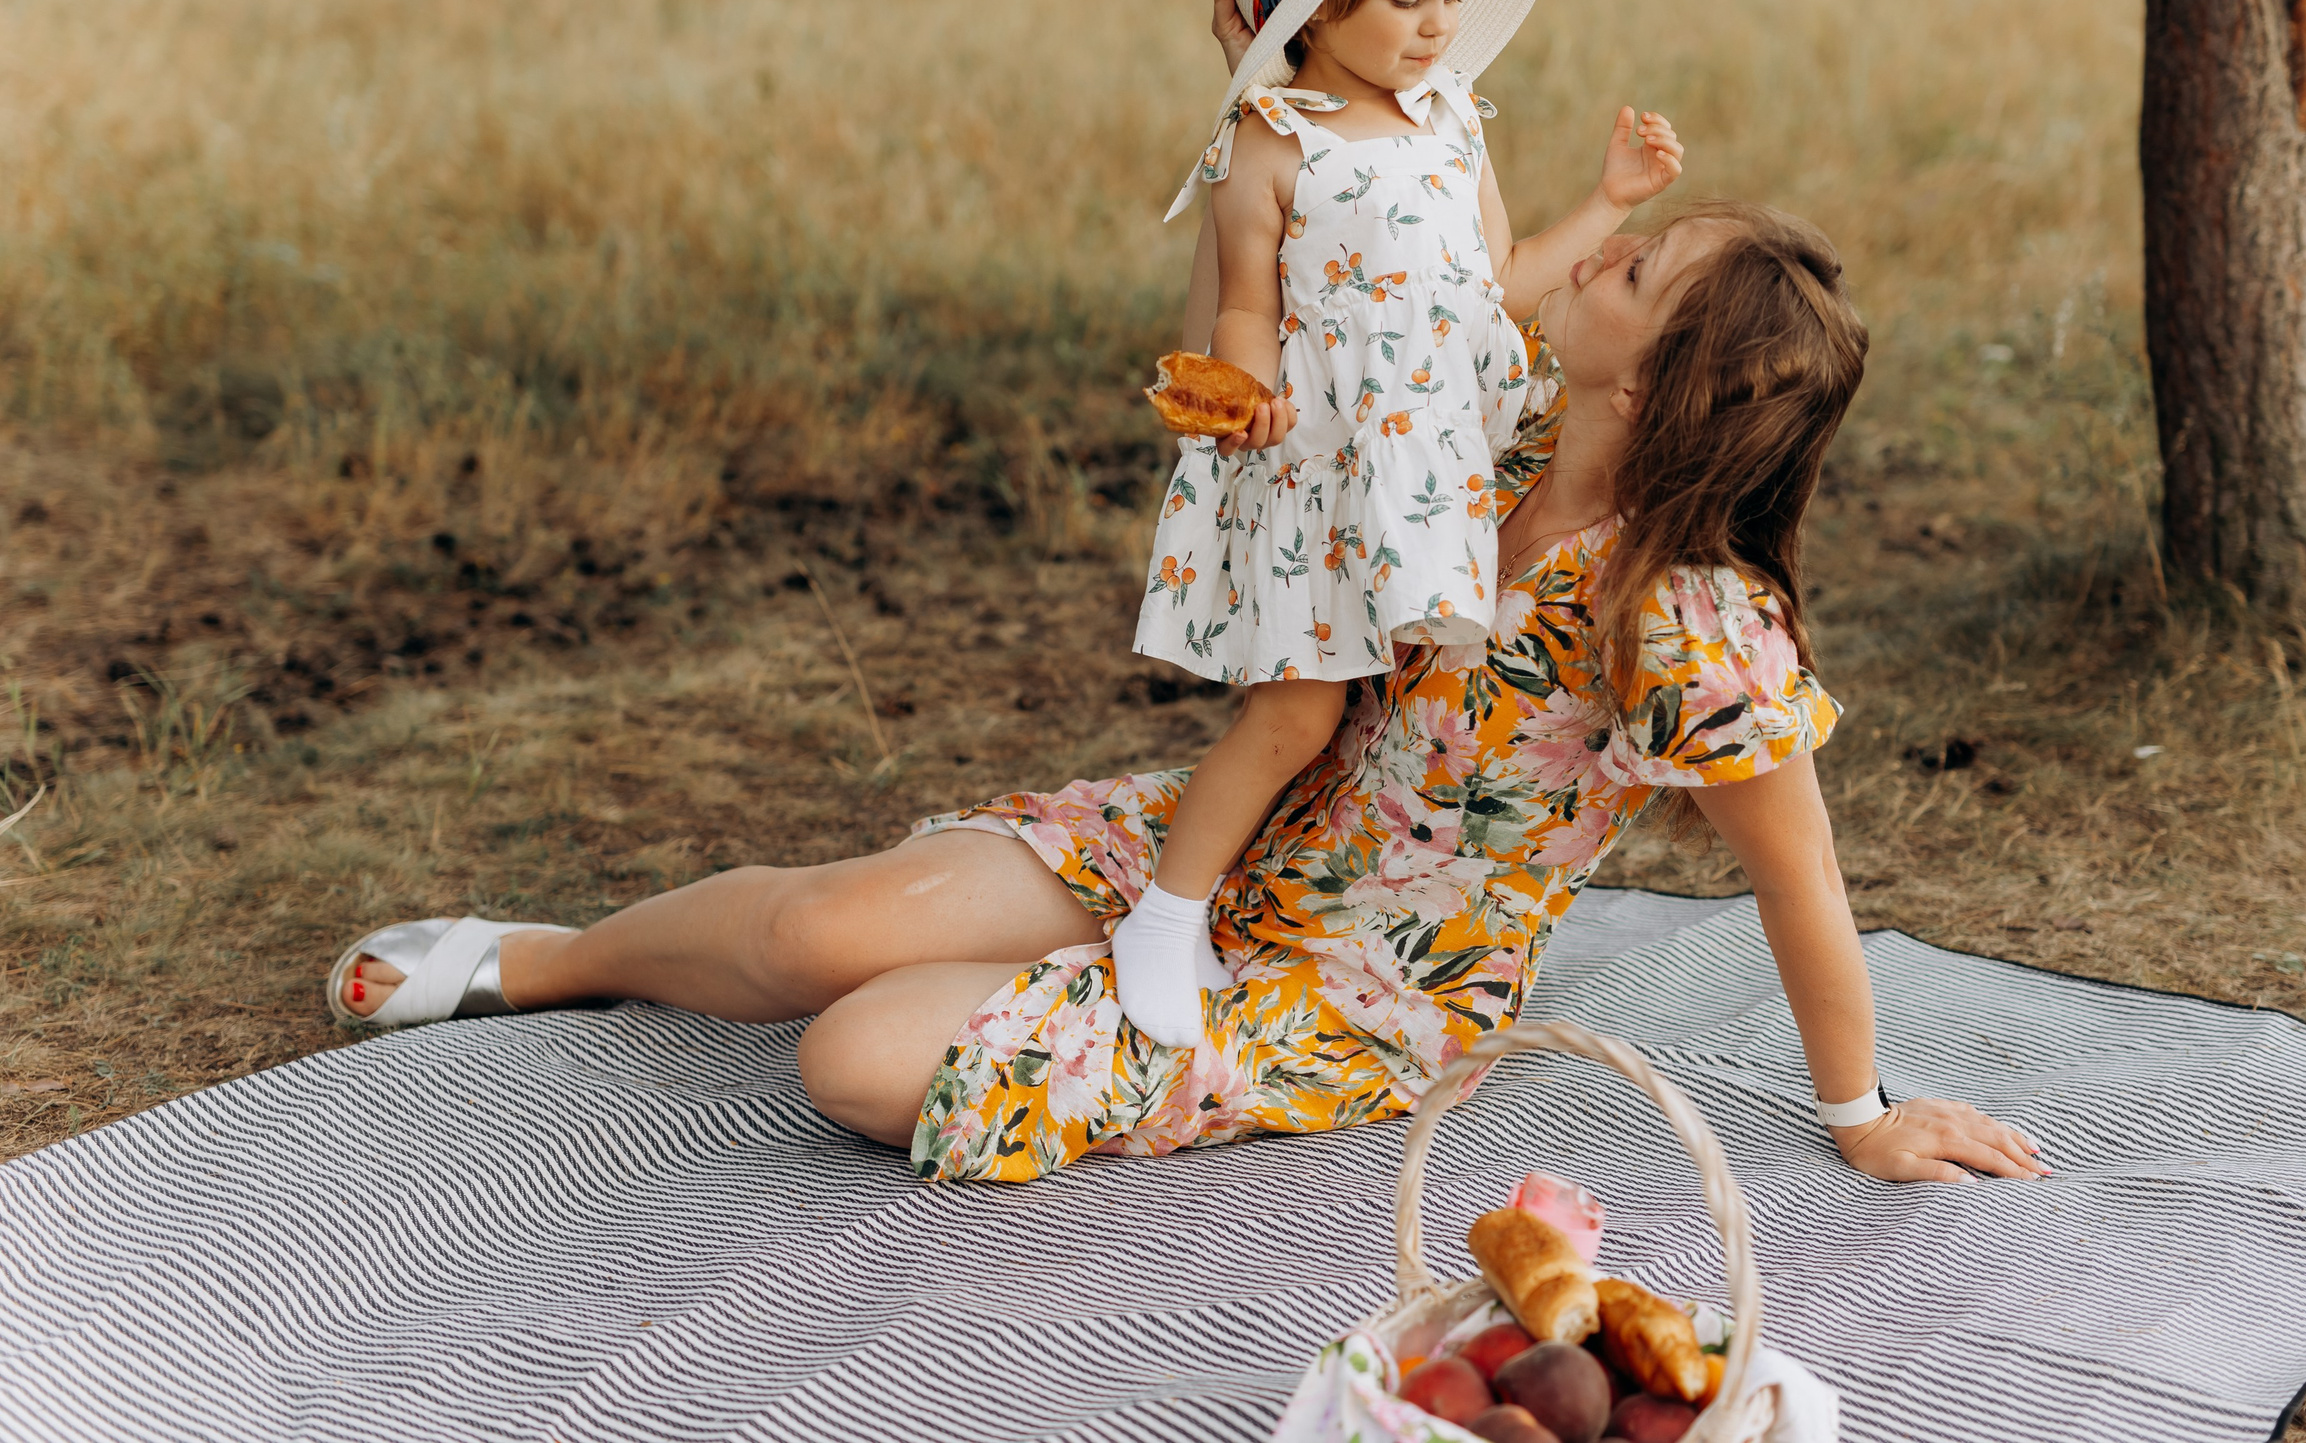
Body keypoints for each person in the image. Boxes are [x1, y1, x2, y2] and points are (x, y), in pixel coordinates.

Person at [326, 199, 2049, 1190]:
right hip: (1219, 835)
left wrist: (1860, 1110)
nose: (1610, 256)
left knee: (853, 1053)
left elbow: (1800, 881)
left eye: (1644, 265)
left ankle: (1063, 998)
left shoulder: (1690, 622)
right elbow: (1356, 298)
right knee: (814, 937)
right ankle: (540, 958)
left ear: (1670, 375)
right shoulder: (1495, 420)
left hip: (1360, 982)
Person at [1118, 0, 1685, 1054]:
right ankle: (1167, 913)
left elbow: (1502, 277)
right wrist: (1246, 390)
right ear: (1314, 7)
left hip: (1434, 477)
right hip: (1327, 473)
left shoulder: (1451, 118)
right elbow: (1244, 302)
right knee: (1300, 714)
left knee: (1398, 707)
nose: (1437, 24)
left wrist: (1608, 203)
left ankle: (1335, 899)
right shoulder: (1272, 140)